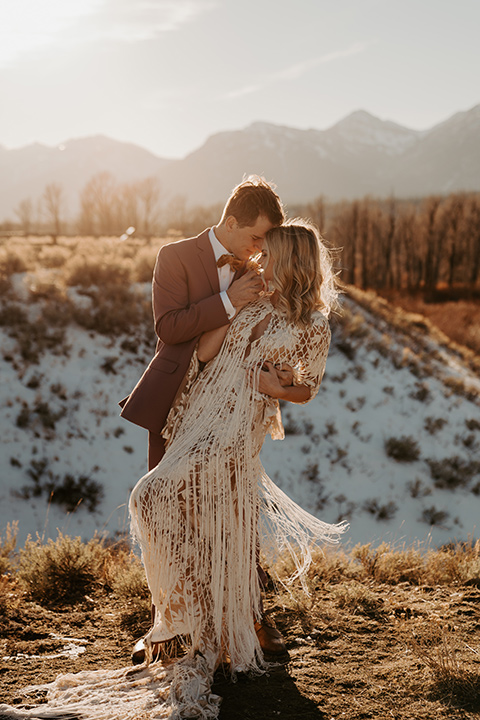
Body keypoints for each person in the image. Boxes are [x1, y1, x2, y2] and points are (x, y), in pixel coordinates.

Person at [128, 219, 348, 719]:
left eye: (268, 255)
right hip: (197, 412)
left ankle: (207, 628)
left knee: (180, 507)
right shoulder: (254, 300)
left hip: (237, 425)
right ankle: (185, 615)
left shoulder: (313, 324)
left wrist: (279, 387)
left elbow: (306, 387)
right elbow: (207, 353)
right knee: (156, 500)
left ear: (291, 261)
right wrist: (231, 311)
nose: (260, 261)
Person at [119, 176, 288, 662]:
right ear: (230, 222)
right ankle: (170, 623)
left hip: (237, 405)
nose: (260, 248)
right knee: (170, 510)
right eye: (256, 237)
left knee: (235, 505)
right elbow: (168, 326)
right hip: (178, 399)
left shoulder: (261, 262)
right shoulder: (175, 256)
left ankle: (250, 616)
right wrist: (231, 300)